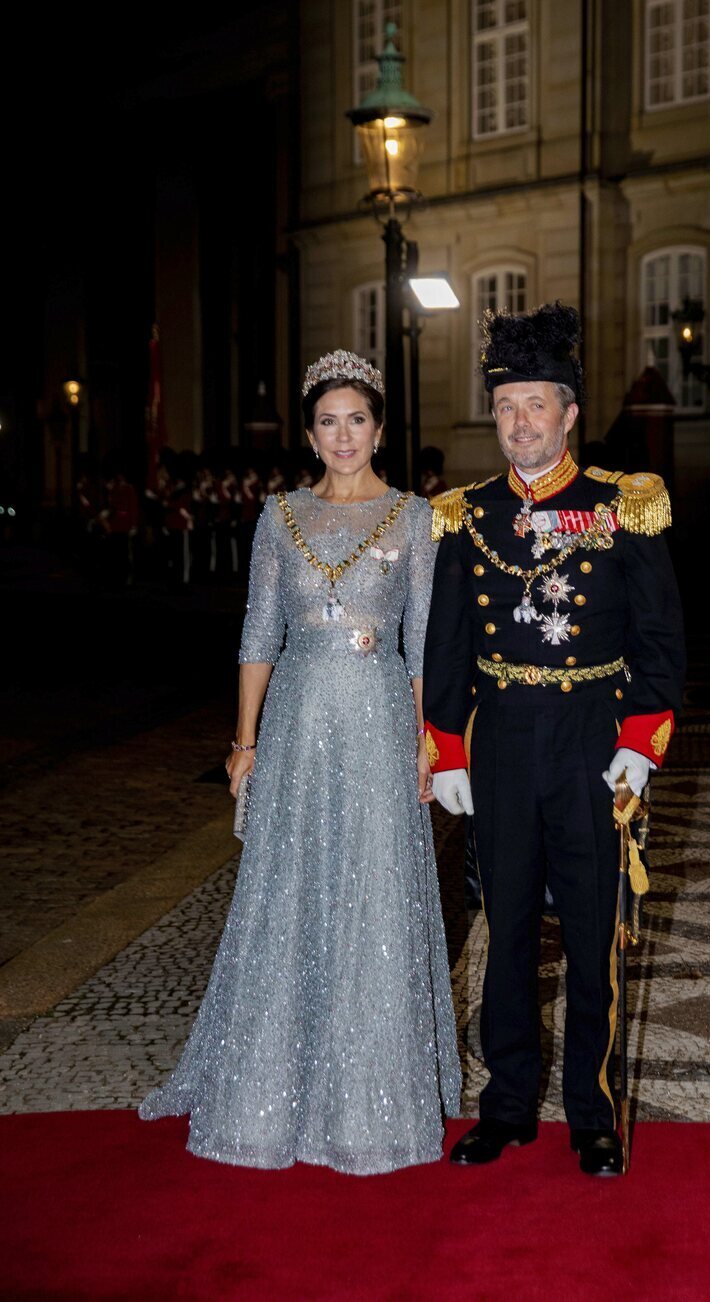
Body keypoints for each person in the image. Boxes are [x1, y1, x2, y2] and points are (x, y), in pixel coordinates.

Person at [140, 349, 461, 1173]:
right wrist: (243, 744)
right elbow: (257, 638)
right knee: (290, 893)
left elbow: (423, 645)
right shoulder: (278, 517)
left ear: (379, 429)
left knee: (373, 900)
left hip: (381, 719)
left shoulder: (416, 517)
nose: (343, 435)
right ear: (311, 436)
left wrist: (428, 742)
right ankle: (269, 1083)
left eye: (357, 419)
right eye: (328, 422)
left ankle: (371, 1095)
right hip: (295, 727)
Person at [422, 303, 684, 1176]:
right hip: (499, 746)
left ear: (569, 413)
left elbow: (659, 643)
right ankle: (505, 1108)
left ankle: (593, 1114)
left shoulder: (623, 507)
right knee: (503, 936)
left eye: (535, 405)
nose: (519, 423)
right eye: (505, 407)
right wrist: (447, 751)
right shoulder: (464, 516)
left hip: (589, 746)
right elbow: (448, 646)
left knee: (589, 935)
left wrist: (641, 743)